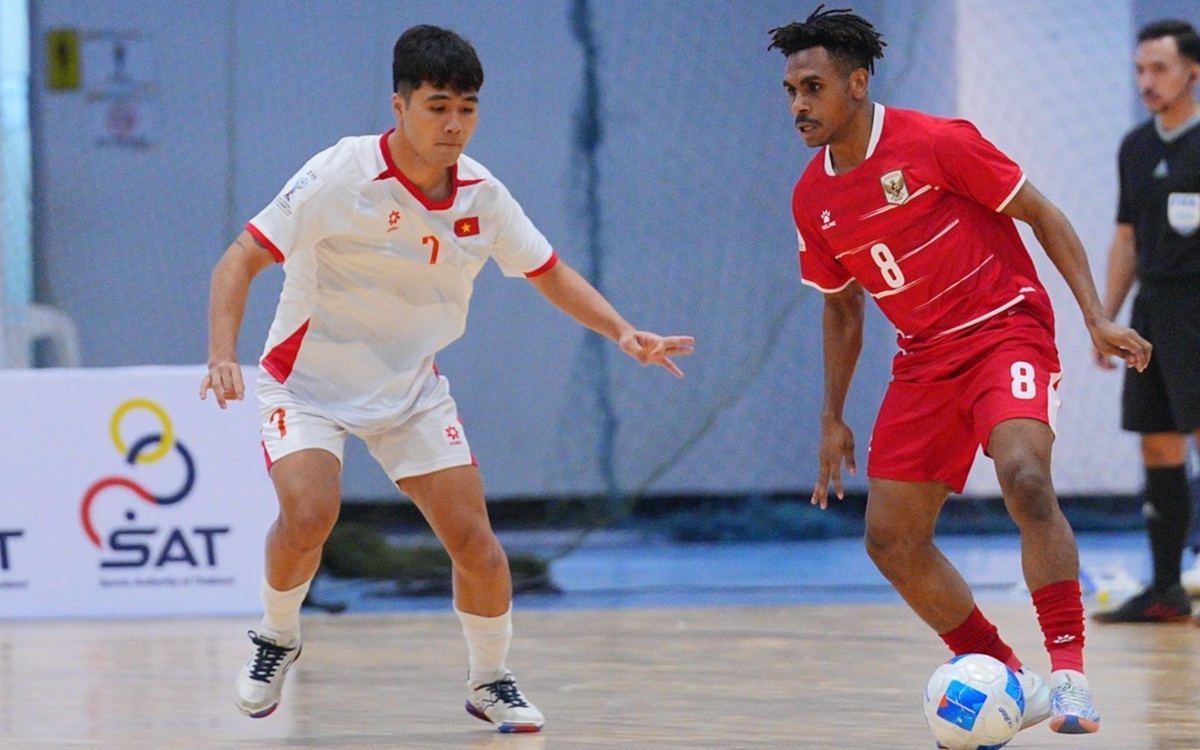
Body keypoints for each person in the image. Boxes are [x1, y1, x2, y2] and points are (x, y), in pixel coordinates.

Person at [200, 24, 694, 731]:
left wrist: (622, 330)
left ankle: (489, 680)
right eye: (438, 107)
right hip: (306, 385)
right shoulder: (341, 174)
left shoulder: (483, 196)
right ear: (399, 106)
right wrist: (222, 354)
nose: (454, 124)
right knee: (309, 517)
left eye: (467, 108)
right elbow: (239, 259)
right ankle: (277, 636)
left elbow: (548, 271)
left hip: (410, 391)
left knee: (476, 545)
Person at [769, 6, 1154, 737]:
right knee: (890, 539)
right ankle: (1008, 677)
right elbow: (843, 308)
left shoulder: (936, 142)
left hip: (1005, 329)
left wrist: (1096, 316)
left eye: (813, 88)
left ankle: (1069, 678)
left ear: (857, 84)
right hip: (924, 357)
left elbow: (1043, 214)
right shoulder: (811, 197)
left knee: (1025, 477)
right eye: (791, 91)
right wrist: (832, 414)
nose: (798, 105)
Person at [1091, 19, 1200, 625]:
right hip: (1152, 310)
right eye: (1140, 70)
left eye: (1159, 68)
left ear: (1193, 72)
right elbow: (1126, 237)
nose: (1147, 81)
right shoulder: (1135, 146)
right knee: (1157, 441)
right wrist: (1105, 317)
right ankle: (1165, 591)